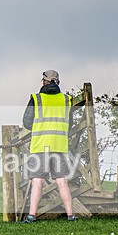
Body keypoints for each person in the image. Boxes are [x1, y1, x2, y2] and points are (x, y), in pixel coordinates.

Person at [21, 69, 76, 223]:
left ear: (44, 81)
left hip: (40, 146)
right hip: (59, 145)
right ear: (58, 82)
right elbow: (69, 123)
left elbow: (26, 122)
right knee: (61, 180)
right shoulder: (66, 100)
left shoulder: (36, 99)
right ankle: (71, 216)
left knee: (37, 180)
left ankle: (32, 216)